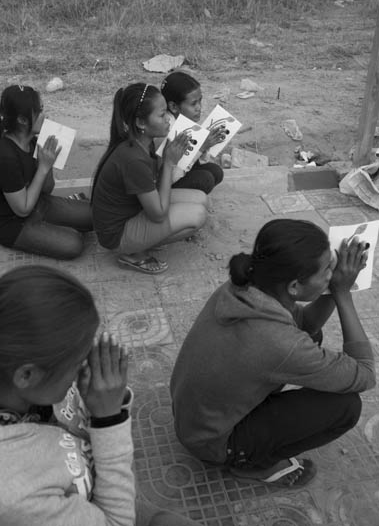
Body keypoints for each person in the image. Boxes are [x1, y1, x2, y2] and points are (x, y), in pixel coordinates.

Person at [170, 219, 375, 487]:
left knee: (311, 334)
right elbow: (366, 373)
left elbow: (308, 325)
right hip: (214, 443)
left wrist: (329, 288)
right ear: (294, 287)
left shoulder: (241, 288)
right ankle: (251, 465)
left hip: (193, 421)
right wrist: (342, 293)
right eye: (327, 268)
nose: (332, 272)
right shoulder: (280, 343)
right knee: (346, 406)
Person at [0, 264, 200, 526]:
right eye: (77, 362)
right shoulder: (14, 494)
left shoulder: (25, 383)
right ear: (26, 375)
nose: (86, 367)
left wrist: (101, 401)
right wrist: (109, 419)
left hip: (95, 490)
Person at [91, 83, 207, 274]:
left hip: (133, 211)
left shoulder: (143, 142)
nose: (168, 120)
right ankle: (132, 253)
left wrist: (169, 158)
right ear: (141, 123)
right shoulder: (132, 158)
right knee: (197, 215)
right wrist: (169, 162)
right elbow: (158, 214)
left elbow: (154, 183)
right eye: (162, 115)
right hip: (117, 235)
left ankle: (146, 238)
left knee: (202, 199)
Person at [0, 85, 92, 259]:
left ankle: (57, 224)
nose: (45, 115)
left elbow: (47, 189)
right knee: (73, 244)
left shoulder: (34, 142)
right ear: (22, 119)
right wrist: (42, 168)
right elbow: (22, 210)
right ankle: (59, 228)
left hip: (38, 203)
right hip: (13, 223)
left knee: (95, 216)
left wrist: (48, 165)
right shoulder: (6, 156)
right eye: (39, 111)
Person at [160, 71, 225, 194]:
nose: (199, 107)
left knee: (216, 171)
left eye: (200, 101)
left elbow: (197, 163)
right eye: (193, 103)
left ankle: (194, 198)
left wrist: (206, 145)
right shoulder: (168, 130)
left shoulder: (184, 121)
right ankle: (182, 203)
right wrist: (201, 147)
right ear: (174, 106)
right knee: (205, 179)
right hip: (166, 185)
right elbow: (172, 176)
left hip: (179, 173)